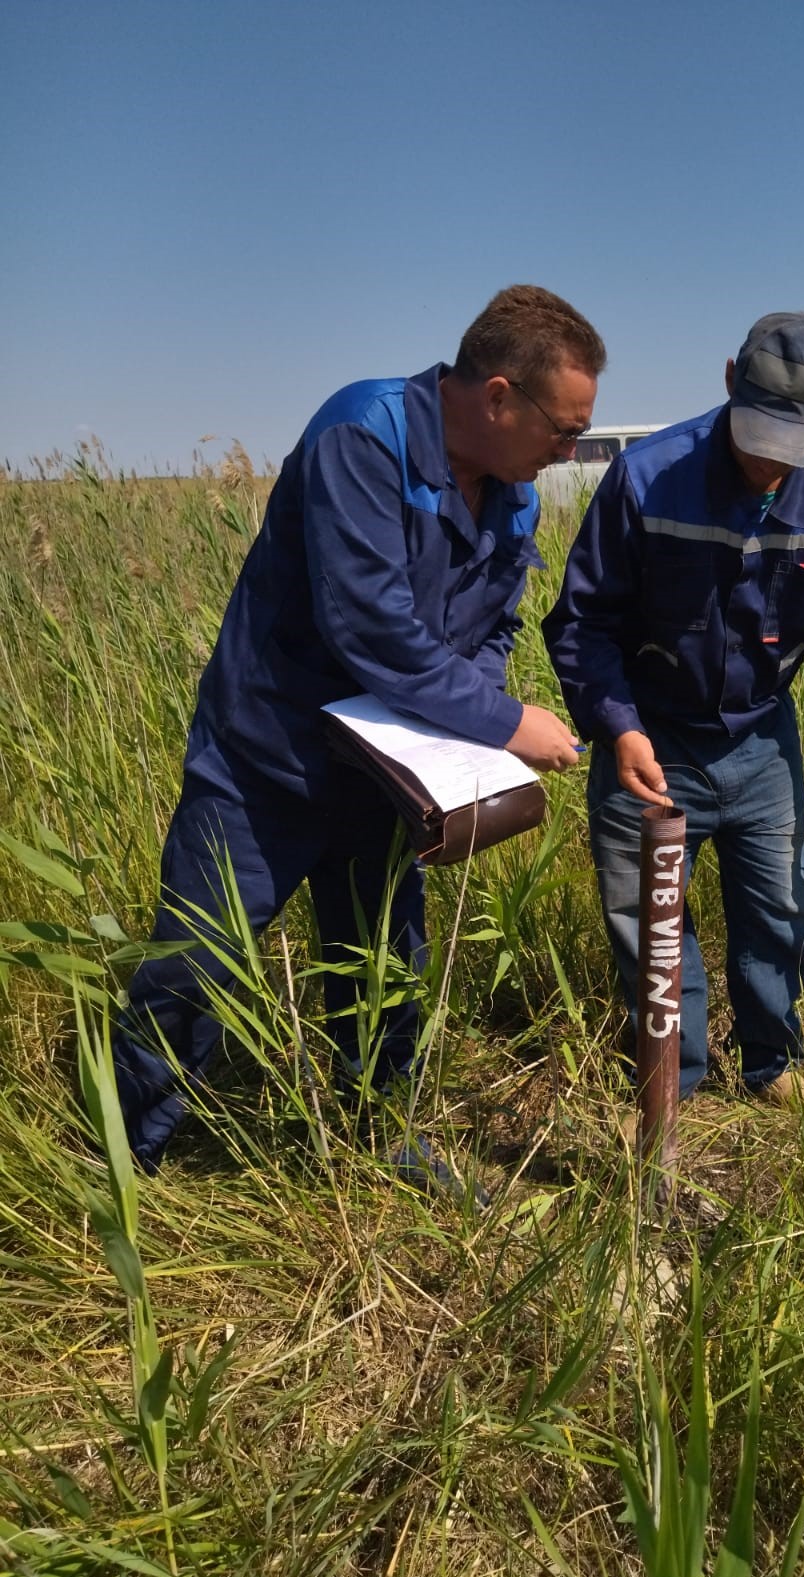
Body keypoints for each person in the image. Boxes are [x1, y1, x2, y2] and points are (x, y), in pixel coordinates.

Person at [113, 284, 606, 1187]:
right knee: (194, 961)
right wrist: (504, 722)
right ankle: (128, 1160)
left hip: (384, 777)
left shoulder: (515, 496)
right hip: (267, 762)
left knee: (383, 962)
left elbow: (491, 626)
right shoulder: (363, 435)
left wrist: (464, 749)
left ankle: (379, 1136)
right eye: (563, 430)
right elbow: (370, 627)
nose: (570, 451)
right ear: (499, 396)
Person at [543, 311, 804, 1112]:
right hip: (651, 738)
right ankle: (668, 1086)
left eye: (792, 443)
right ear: (727, 382)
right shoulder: (647, 479)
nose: (768, 463)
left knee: (780, 914)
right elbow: (582, 623)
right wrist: (619, 727)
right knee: (651, 929)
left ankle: (772, 1066)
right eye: (756, 435)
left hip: (761, 744)